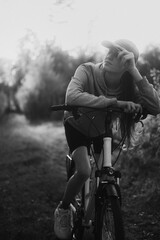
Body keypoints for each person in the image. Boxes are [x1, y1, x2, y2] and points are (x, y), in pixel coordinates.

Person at [54, 39, 160, 239]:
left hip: (101, 129)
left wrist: (134, 72)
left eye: (118, 55)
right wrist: (117, 103)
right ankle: (64, 208)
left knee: (105, 172)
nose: (110, 55)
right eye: (110, 51)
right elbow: (72, 97)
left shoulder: (129, 86)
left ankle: (96, 212)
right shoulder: (86, 70)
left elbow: (156, 106)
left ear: (127, 63)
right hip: (77, 124)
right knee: (85, 170)